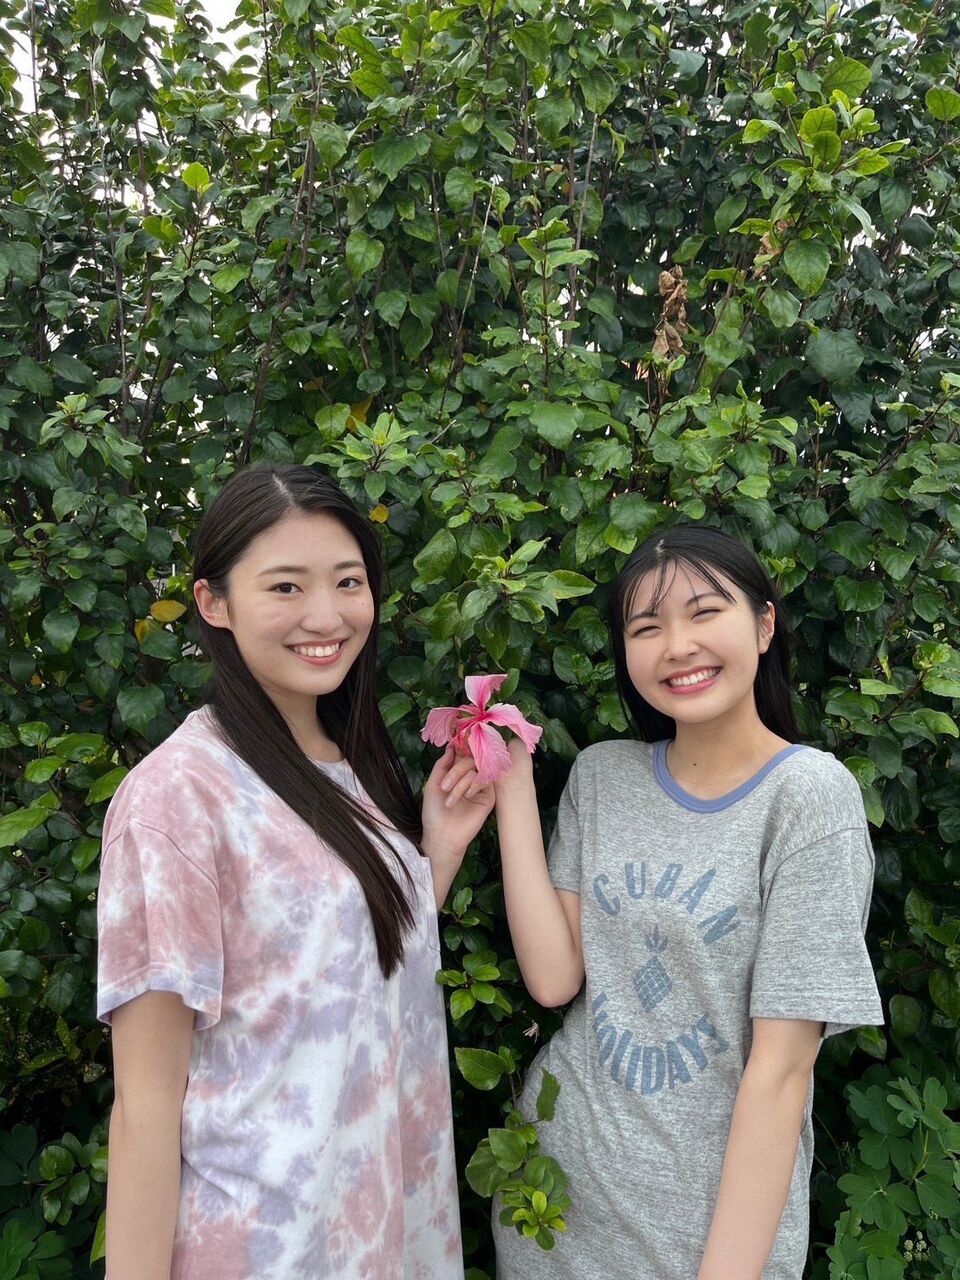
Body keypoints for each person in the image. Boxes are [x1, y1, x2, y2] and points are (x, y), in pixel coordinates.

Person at [96, 464, 492, 1280]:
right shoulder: (179, 796)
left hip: (384, 1234)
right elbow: (145, 1106)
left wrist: (436, 852)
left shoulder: (350, 765)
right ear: (214, 603)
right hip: (263, 1246)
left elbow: (341, 971)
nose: (326, 615)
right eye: (285, 586)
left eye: (348, 581)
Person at [489, 525, 883, 1280]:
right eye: (646, 627)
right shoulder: (602, 776)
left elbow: (782, 1072)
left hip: (705, 1238)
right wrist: (511, 790)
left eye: (705, 613)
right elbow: (554, 979)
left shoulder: (809, 798)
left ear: (763, 625)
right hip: (553, 1208)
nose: (677, 646)